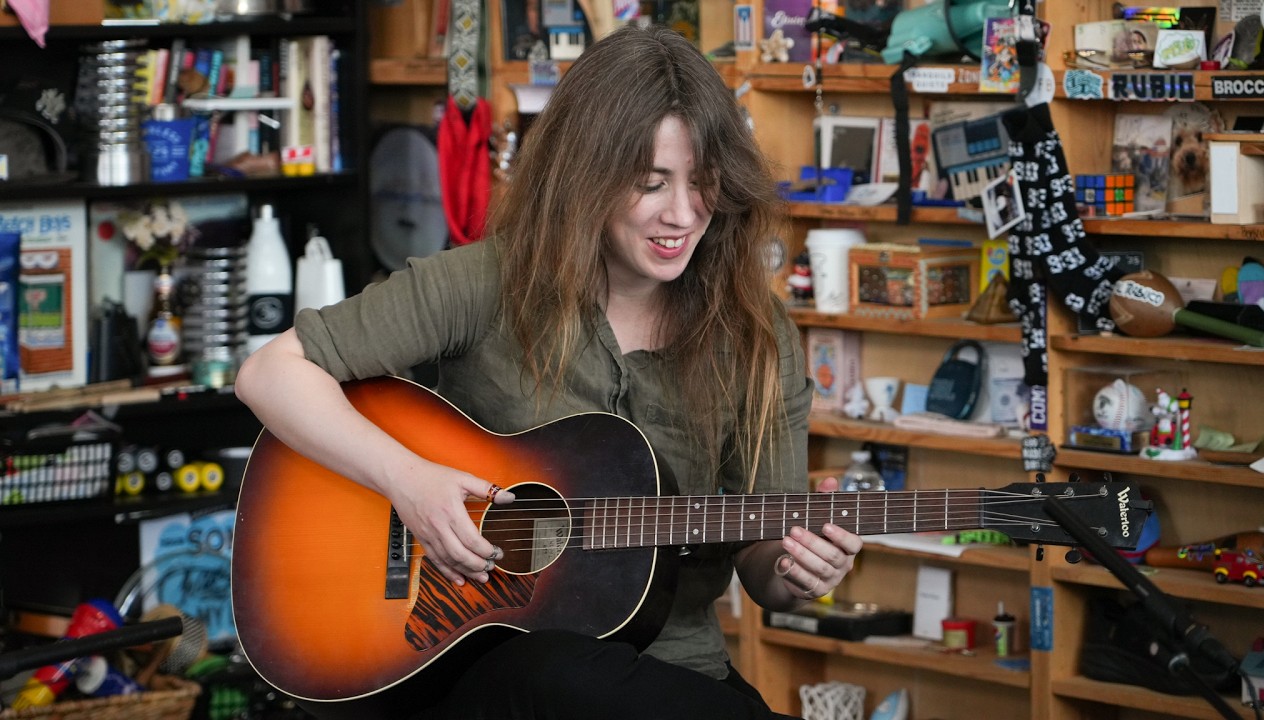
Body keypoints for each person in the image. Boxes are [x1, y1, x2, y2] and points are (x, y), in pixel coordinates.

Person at [235, 24, 862, 720]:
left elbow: (763, 564)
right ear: (585, 178)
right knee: (554, 671)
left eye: (704, 183)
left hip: (673, 676)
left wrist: (796, 571)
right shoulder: (488, 283)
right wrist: (407, 481)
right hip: (478, 664)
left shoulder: (757, 335)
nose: (683, 214)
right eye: (651, 184)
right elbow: (271, 372)